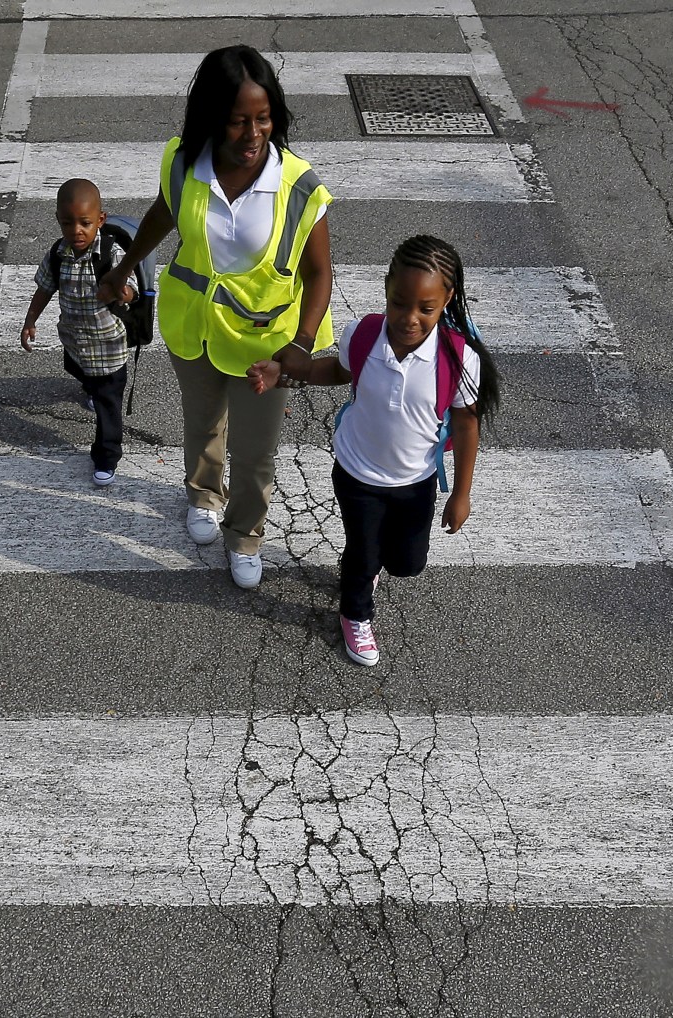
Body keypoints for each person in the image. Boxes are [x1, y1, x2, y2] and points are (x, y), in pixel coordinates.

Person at [97, 45, 334, 588]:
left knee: (255, 453)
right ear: (212, 119)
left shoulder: (297, 185)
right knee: (203, 425)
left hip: (265, 345)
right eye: (238, 122)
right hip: (195, 327)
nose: (253, 135)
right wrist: (125, 268)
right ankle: (203, 496)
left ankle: (245, 535)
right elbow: (165, 213)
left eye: (263, 119)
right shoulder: (185, 163)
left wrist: (299, 344)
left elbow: (320, 273)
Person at [248, 235, 501, 666]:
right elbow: (336, 369)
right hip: (357, 473)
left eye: (426, 308)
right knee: (362, 555)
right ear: (386, 288)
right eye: (400, 304)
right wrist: (286, 375)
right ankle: (355, 613)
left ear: (447, 300)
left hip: (416, 482)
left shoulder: (458, 359)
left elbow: (466, 422)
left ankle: (367, 566)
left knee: (407, 563)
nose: (410, 319)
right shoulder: (364, 334)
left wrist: (461, 494)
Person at [21, 177, 137, 487]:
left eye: (85, 223)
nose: (77, 230)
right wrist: (31, 319)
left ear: (100, 220)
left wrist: (122, 291)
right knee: (80, 372)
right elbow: (45, 288)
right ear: (58, 221)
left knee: (108, 405)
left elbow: (132, 290)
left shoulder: (111, 254)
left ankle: (106, 456)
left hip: (109, 347)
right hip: (75, 341)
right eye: (68, 223)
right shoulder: (58, 254)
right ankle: (89, 389)